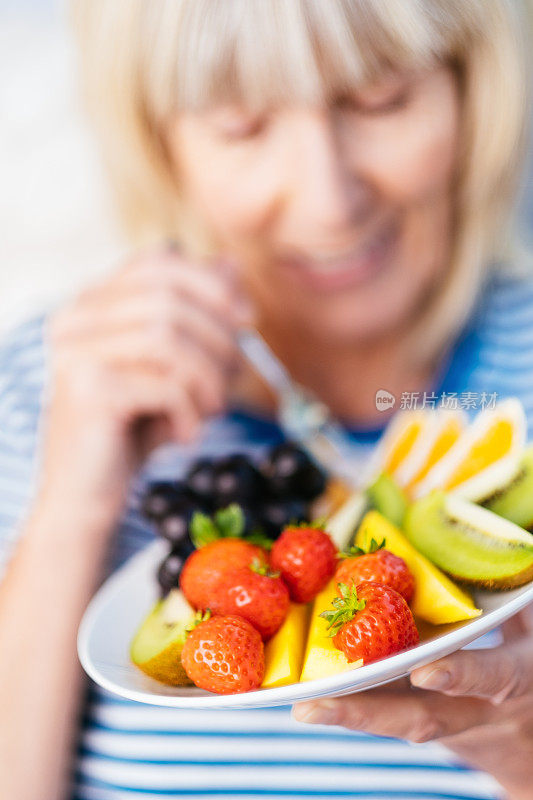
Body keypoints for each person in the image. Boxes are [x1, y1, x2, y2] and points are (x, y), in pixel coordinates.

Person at [1, 1, 533, 798]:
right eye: (240, 124)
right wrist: (73, 509)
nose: (328, 200)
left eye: (380, 97)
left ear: (472, 85)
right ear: (157, 142)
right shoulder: (48, 391)